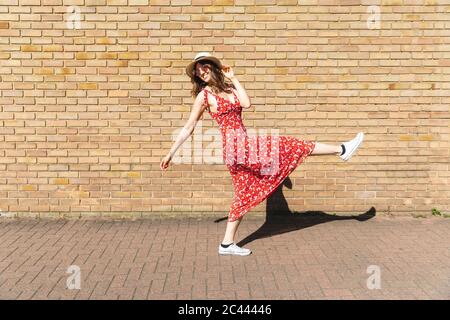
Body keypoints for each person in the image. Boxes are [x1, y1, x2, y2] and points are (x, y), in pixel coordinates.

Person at [160, 52, 364, 256]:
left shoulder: (230, 88)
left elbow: (246, 104)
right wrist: (171, 153)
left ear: (212, 67)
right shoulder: (204, 96)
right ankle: (341, 150)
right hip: (236, 147)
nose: (200, 73)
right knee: (288, 144)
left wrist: (233, 78)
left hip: (243, 145)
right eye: (197, 72)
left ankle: (226, 244)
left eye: (203, 68)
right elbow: (189, 127)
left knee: (243, 193)